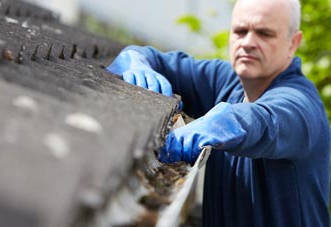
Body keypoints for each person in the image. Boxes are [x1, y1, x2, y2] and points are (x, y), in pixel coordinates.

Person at [107, 0, 331, 226]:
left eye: (264, 34)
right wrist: (135, 60)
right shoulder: (223, 80)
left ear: (293, 43)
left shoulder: (303, 105)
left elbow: (270, 119)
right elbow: (150, 57)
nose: (248, 42)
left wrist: (230, 120)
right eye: (240, 31)